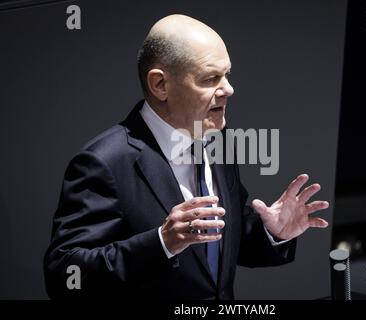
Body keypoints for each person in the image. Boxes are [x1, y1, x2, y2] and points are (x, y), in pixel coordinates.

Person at [44, 14, 329, 300]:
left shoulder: (219, 139)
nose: (228, 89)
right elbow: (65, 275)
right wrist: (162, 242)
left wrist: (271, 232)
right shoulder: (104, 162)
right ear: (160, 85)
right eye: (210, 78)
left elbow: (217, 246)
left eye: (227, 74)